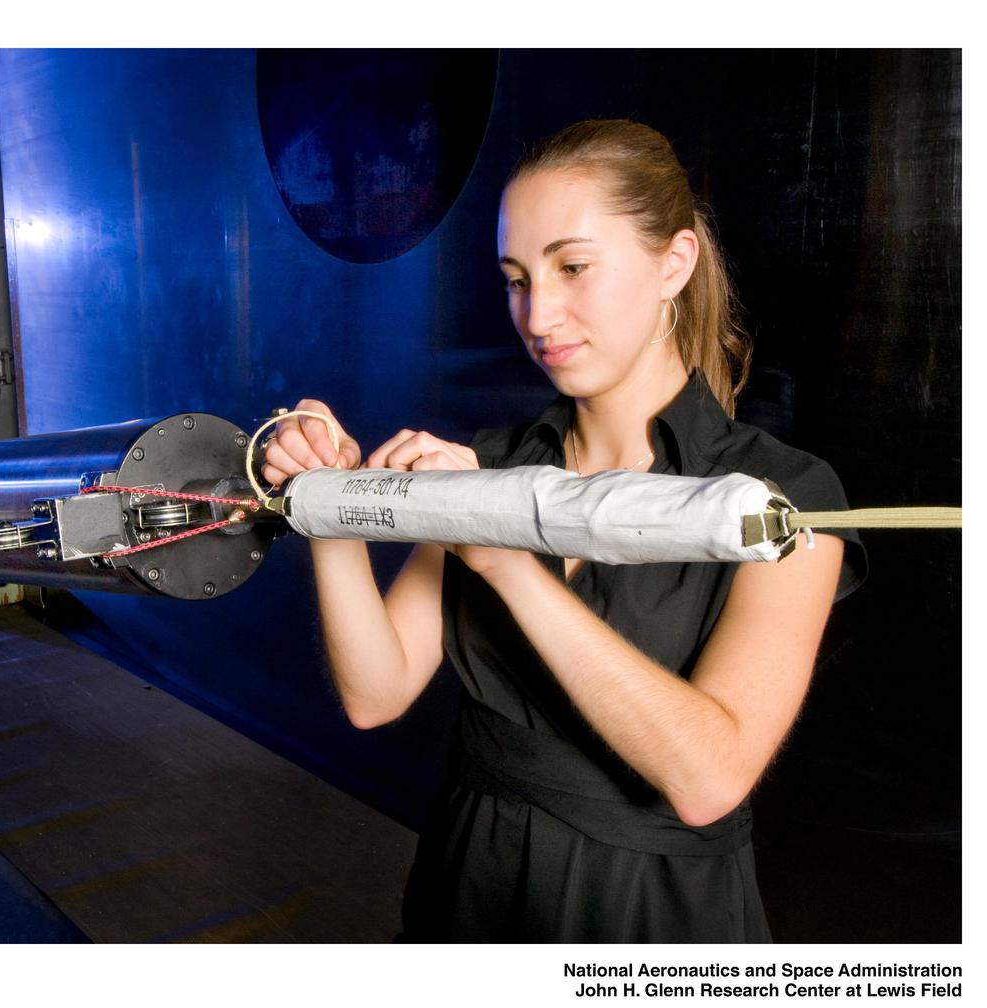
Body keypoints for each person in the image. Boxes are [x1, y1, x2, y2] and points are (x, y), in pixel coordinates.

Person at [262, 119, 866, 942]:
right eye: (516, 279)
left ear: (673, 264)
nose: (538, 313)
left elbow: (708, 777)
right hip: (470, 889)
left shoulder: (785, 497)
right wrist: (329, 504)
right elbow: (377, 692)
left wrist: (509, 563)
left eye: (573, 267)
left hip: (652, 917)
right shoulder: (486, 464)